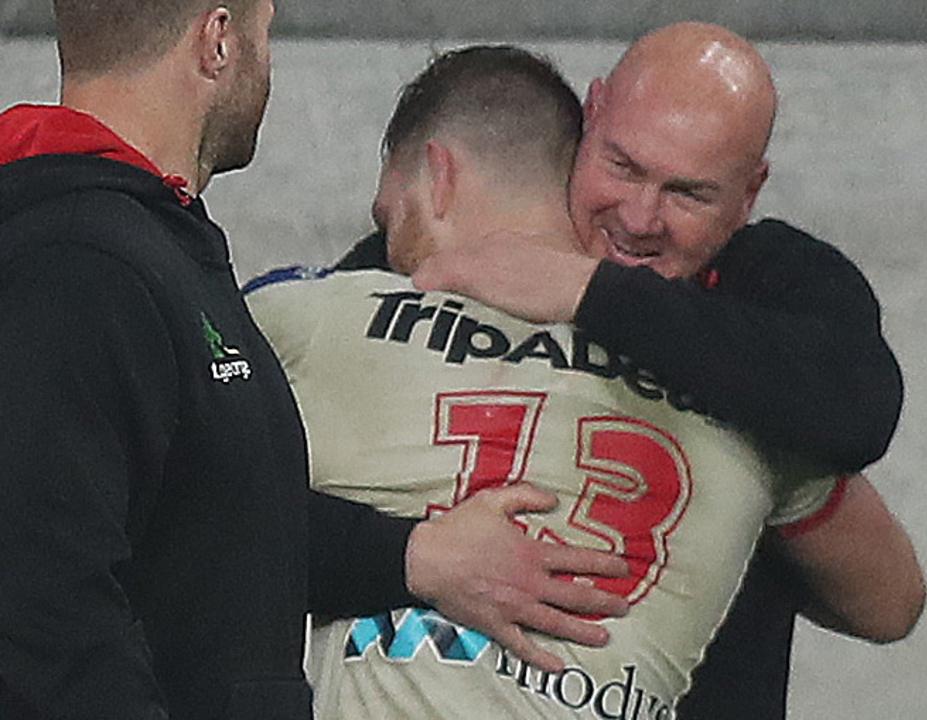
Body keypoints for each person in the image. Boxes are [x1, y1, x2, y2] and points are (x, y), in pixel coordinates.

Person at [245, 45, 922, 718]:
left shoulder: (763, 300)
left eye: (688, 192)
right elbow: (193, 516)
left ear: (749, 193)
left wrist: (592, 293)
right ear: (588, 121)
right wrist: (415, 557)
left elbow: (887, 571)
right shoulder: (394, 283)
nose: (638, 219)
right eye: (622, 167)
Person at [0, 4, 625, 718]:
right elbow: (37, 605)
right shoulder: (80, 263)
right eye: (265, 33)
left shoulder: (140, 246)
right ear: (219, 40)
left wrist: (410, 557)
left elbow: (209, 517)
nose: (268, 63)